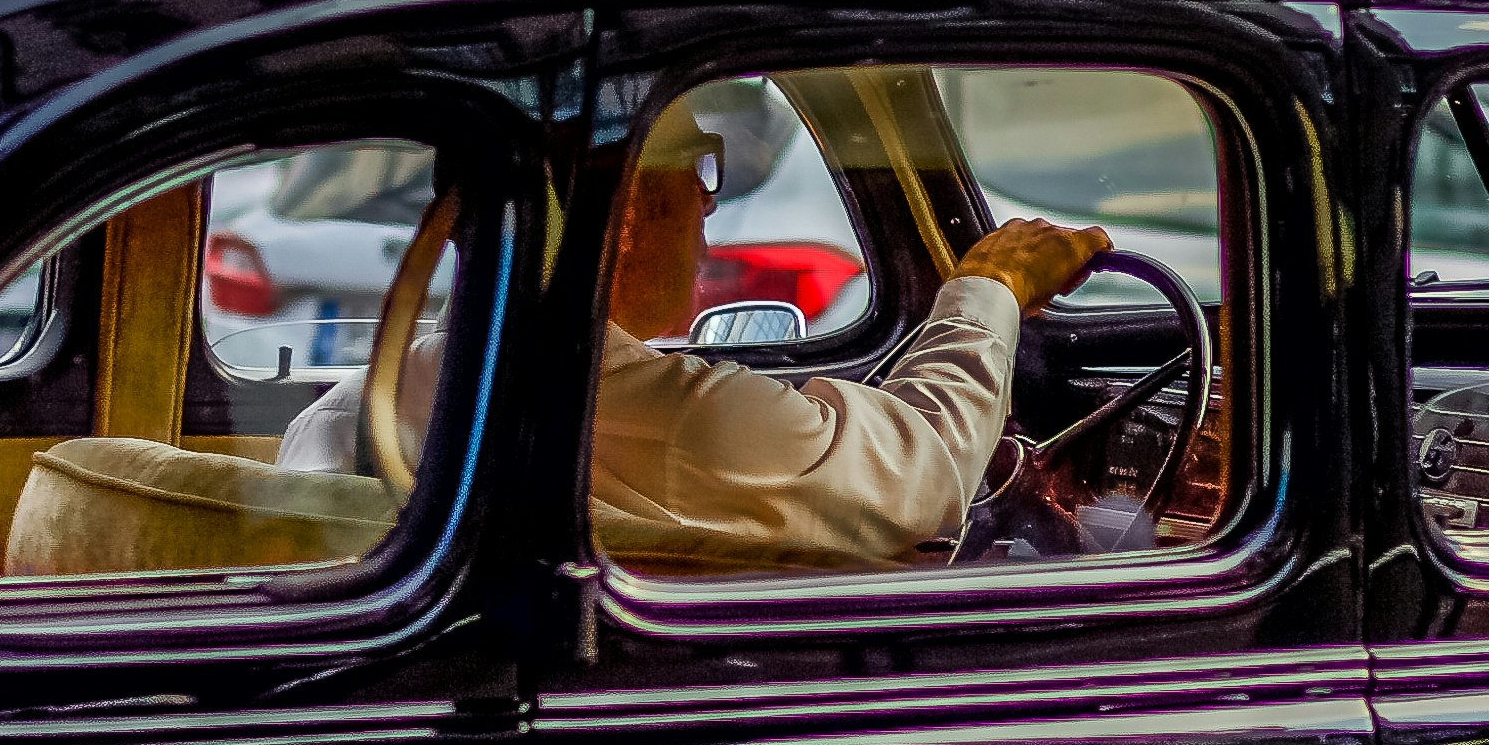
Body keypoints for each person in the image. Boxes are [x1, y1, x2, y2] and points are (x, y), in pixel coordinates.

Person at [284, 84, 1114, 570]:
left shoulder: (352, 411)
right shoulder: (690, 422)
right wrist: (988, 286)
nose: (710, 208)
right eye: (699, 174)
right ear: (633, 211)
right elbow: (919, 475)